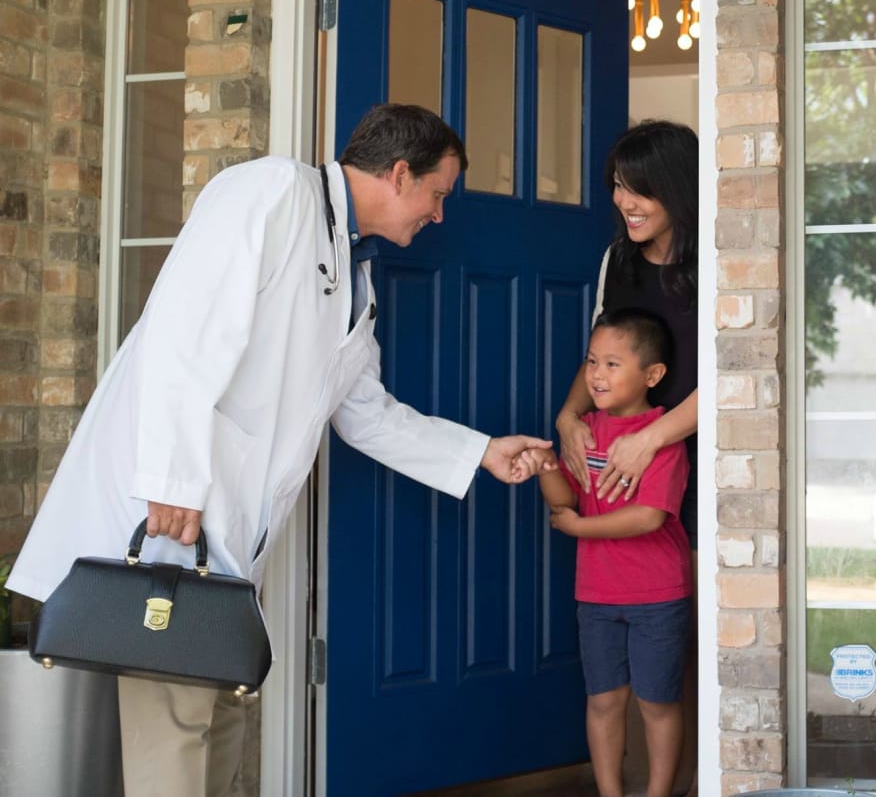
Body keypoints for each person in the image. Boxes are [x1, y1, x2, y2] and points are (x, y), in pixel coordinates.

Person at [7, 103, 552, 797]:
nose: (439, 216)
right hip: (175, 514)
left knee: (224, 724)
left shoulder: (357, 278)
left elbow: (366, 415)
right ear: (400, 173)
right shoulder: (271, 192)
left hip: (229, 545)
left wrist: (481, 452)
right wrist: (170, 478)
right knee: (175, 736)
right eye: (439, 195)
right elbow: (185, 331)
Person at [555, 119, 699, 792]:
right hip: (631, 453)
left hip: (694, 460)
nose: (624, 200)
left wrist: (655, 435)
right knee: (620, 676)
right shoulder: (621, 260)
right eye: (617, 185)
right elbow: (601, 351)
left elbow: (740, 369)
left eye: (638, 188)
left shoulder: (722, 256)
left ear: (676, 187)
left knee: (676, 646)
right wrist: (569, 414)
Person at [530, 308, 691, 797]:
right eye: (592, 361)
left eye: (612, 364)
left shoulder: (661, 438)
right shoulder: (584, 432)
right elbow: (566, 505)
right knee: (603, 701)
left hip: (657, 595)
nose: (597, 375)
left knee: (657, 704)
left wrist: (583, 526)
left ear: (652, 375)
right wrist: (544, 467)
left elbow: (649, 517)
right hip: (597, 595)